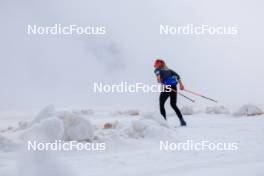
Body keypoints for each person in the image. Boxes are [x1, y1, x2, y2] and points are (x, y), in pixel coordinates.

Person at [154, 59, 187, 126]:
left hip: (167, 87)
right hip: (174, 87)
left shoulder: (157, 70)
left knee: (161, 104)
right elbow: (178, 76)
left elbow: (158, 78)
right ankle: (182, 121)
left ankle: (164, 123)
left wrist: (159, 80)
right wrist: (181, 85)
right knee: (173, 105)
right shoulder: (168, 69)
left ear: (157, 64)